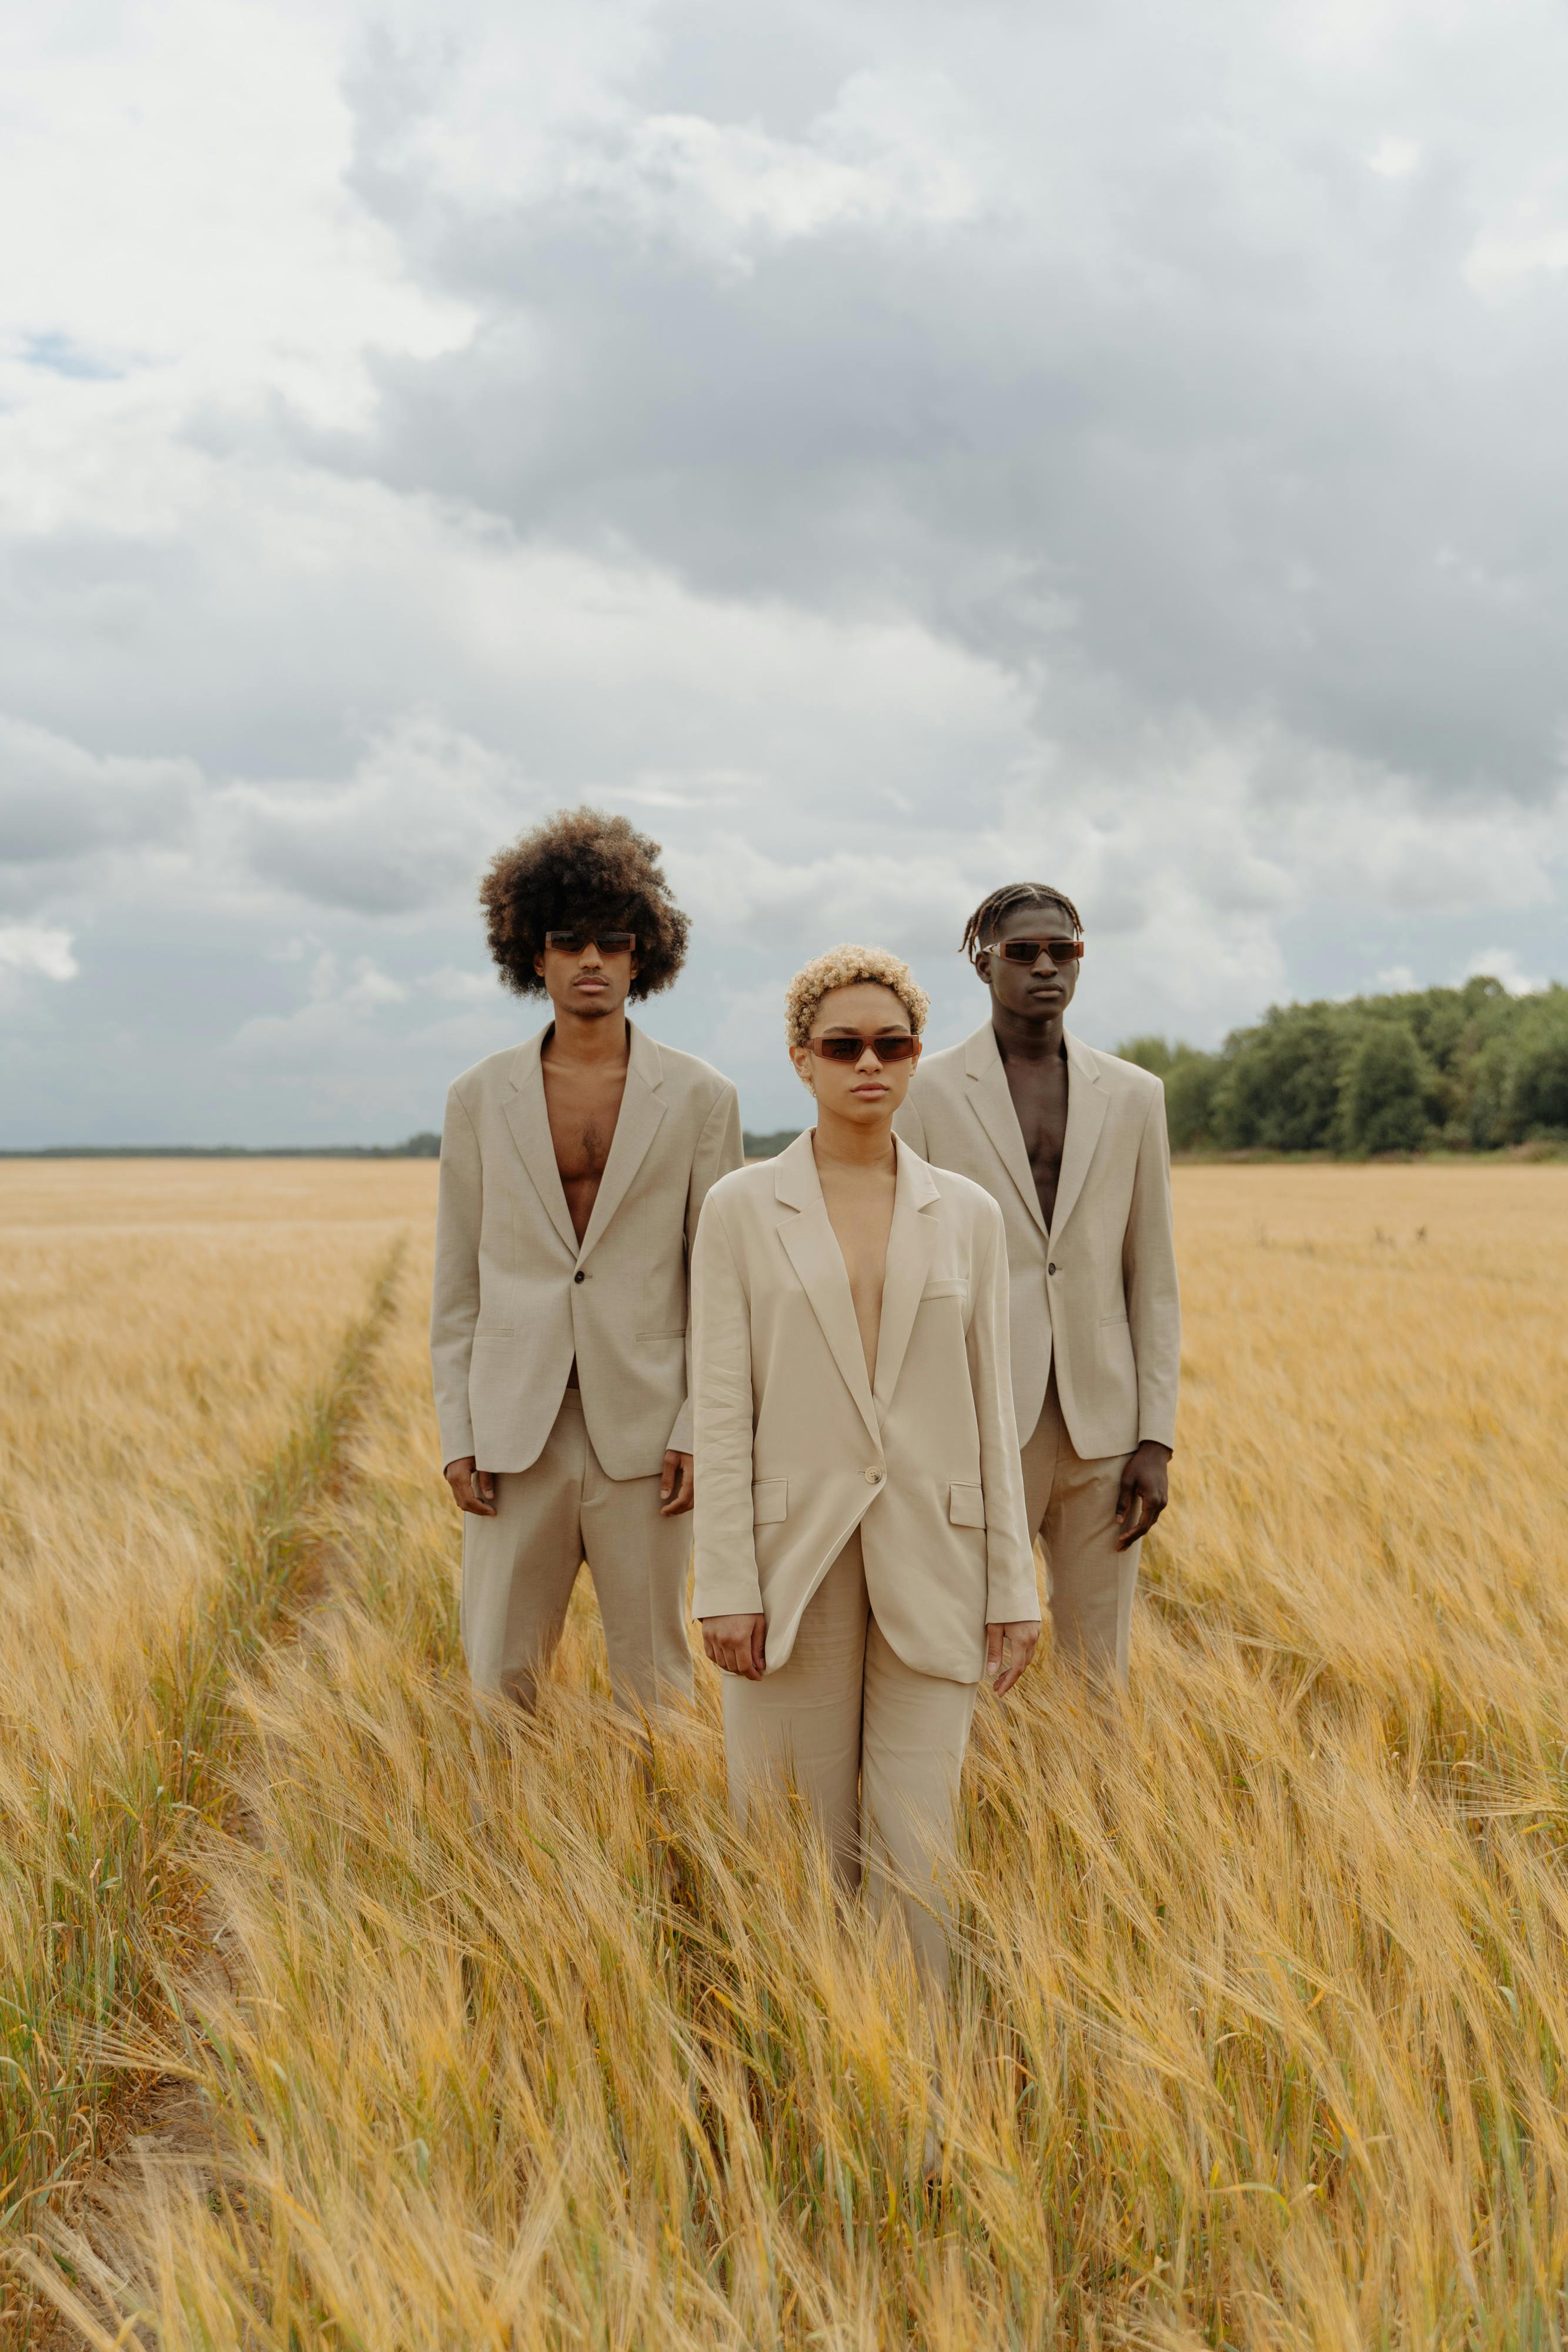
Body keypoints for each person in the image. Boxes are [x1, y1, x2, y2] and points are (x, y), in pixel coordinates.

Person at [691, 945, 1039, 1990]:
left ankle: (920, 2090)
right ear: (801, 1060)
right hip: (788, 1564)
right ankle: (805, 2068)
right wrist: (725, 1583)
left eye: (891, 1045)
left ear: (918, 1056)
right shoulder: (741, 1208)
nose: (868, 1065)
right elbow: (719, 1406)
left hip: (940, 1558)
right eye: (842, 1046)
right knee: (790, 1846)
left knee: (920, 1845)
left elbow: (992, 1404)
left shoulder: (968, 1214)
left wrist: (1012, 1586)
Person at [430, 807, 743, 1716]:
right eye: (570, 941)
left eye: (614, 940)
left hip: (647, 1436)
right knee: (499, 1685)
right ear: (534, 953)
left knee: (659, 1691)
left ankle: (660, 1855)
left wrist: (697, 1425)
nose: (593, 961)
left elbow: (721, 1282)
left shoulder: (701, 1098)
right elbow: (457, 1286)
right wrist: (459, 1430)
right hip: (512, 1431)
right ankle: (497, 1853)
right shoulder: (476, 1098)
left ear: (645, 953)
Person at [893, 883, 1179, 1685]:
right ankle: (985, 1807)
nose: (1046, 967)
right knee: (976, 1656)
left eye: (1064, 950)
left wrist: (1155, 1437)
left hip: (1106, 1429)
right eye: (1023, 953)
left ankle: (1096, 1810)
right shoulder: (926, 1094)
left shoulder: (1135, 1095)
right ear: (984, 965)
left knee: (1101, 1671)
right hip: (976, 1419)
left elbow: (1151, 1277)